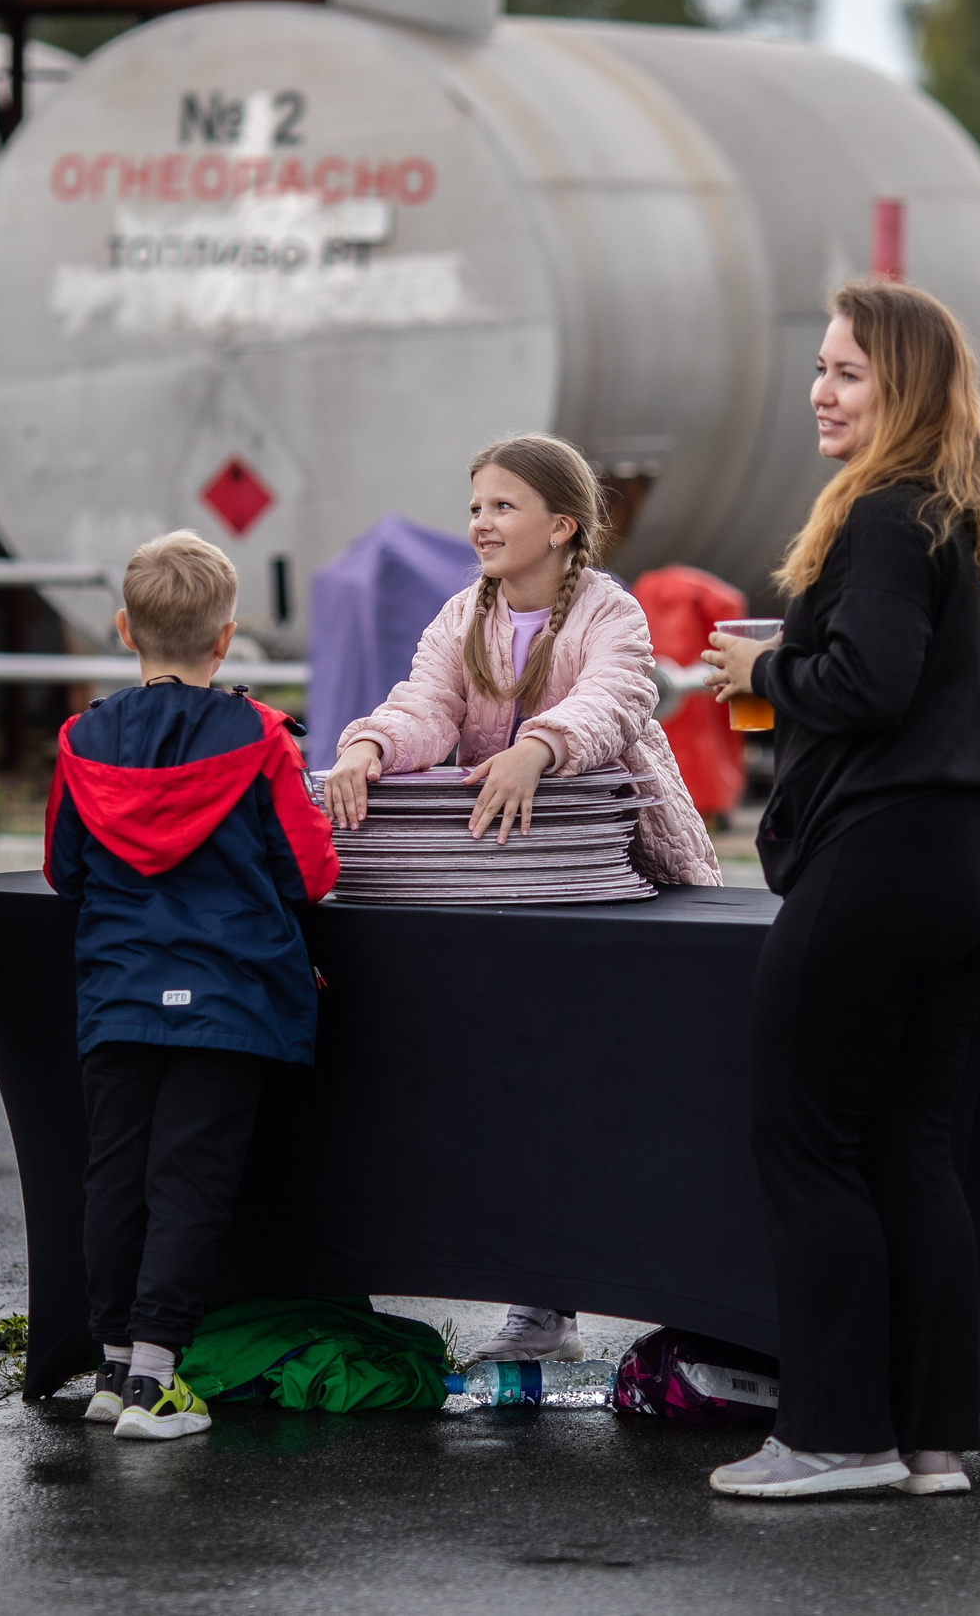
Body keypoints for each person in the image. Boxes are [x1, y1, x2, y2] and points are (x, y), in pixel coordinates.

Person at [699, 278, 980, 1499]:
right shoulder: (948, 513)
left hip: (882, 863)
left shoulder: (885, 517)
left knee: (805, 1140)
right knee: (912, 1149)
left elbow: (870, 684)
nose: (818, 392)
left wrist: (771, 665)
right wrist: (782, 667)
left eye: (847, 372)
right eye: (821, 369)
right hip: (970, 861)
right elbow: (887, 681)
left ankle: (833, 1436)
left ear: (903, 387)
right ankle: (929, 1440)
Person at [320, 433, 722, 1363]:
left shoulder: (611, 614)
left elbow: (617, 699)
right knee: (509, 1088)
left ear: (562, 525)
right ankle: (537, 1306)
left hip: (609, 887)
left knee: (596, 1088)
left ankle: (645, 1287)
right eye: (475, 507)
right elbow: (427, 705)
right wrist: (370, 746)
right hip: (501, 884)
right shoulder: (461, 615)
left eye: (502, 505)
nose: (481, 523)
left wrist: (537, 747)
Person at [46, 531, 340, 1440]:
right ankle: (159, 1378)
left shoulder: (81, 738)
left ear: (125, 630)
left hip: (122, 994)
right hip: (230, 997)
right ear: (227, 638)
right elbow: (312, 871)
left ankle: (109, 1366)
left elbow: (65, 868)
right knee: (190, 1184)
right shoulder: (259, 738)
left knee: (115, 1178)